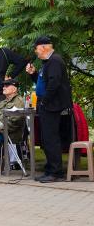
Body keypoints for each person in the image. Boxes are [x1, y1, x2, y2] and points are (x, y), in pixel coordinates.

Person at [26, 36, 72, 183]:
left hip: (53, 106)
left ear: (44, 47)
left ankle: (56, 172)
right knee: (46, 139)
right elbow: (42, 83)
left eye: (37, 48)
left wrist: (45, 101)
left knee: (51, 139)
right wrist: (33, 74)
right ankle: (50, 169)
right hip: (47, 105)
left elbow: (54, 84)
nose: (36, 52)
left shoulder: (55, 61)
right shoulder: (46, 63)